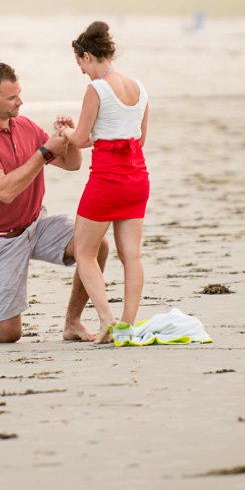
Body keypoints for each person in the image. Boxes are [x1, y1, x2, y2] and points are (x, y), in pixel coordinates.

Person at [0, 60, 109, 344]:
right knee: (7, 334)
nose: (20, 102)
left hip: (35, 225)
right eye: (11, 97)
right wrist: (44, 154)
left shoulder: (23, 125)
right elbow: (4, 190)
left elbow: (72, 165)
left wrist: (67, 139)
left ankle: (72, 323)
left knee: (96, 245)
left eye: (19, 94)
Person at [59, 21, 150, 344]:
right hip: (137, 178)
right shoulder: (139, 88)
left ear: (87, 56)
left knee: (85, 251)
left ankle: (106, 319)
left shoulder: (96, 89)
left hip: (107, 180)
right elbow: (139, 137)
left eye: (80, 64)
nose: (82, 72)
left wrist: (66, 131)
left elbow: (82, 140)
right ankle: (126, 323)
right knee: (132, 256)